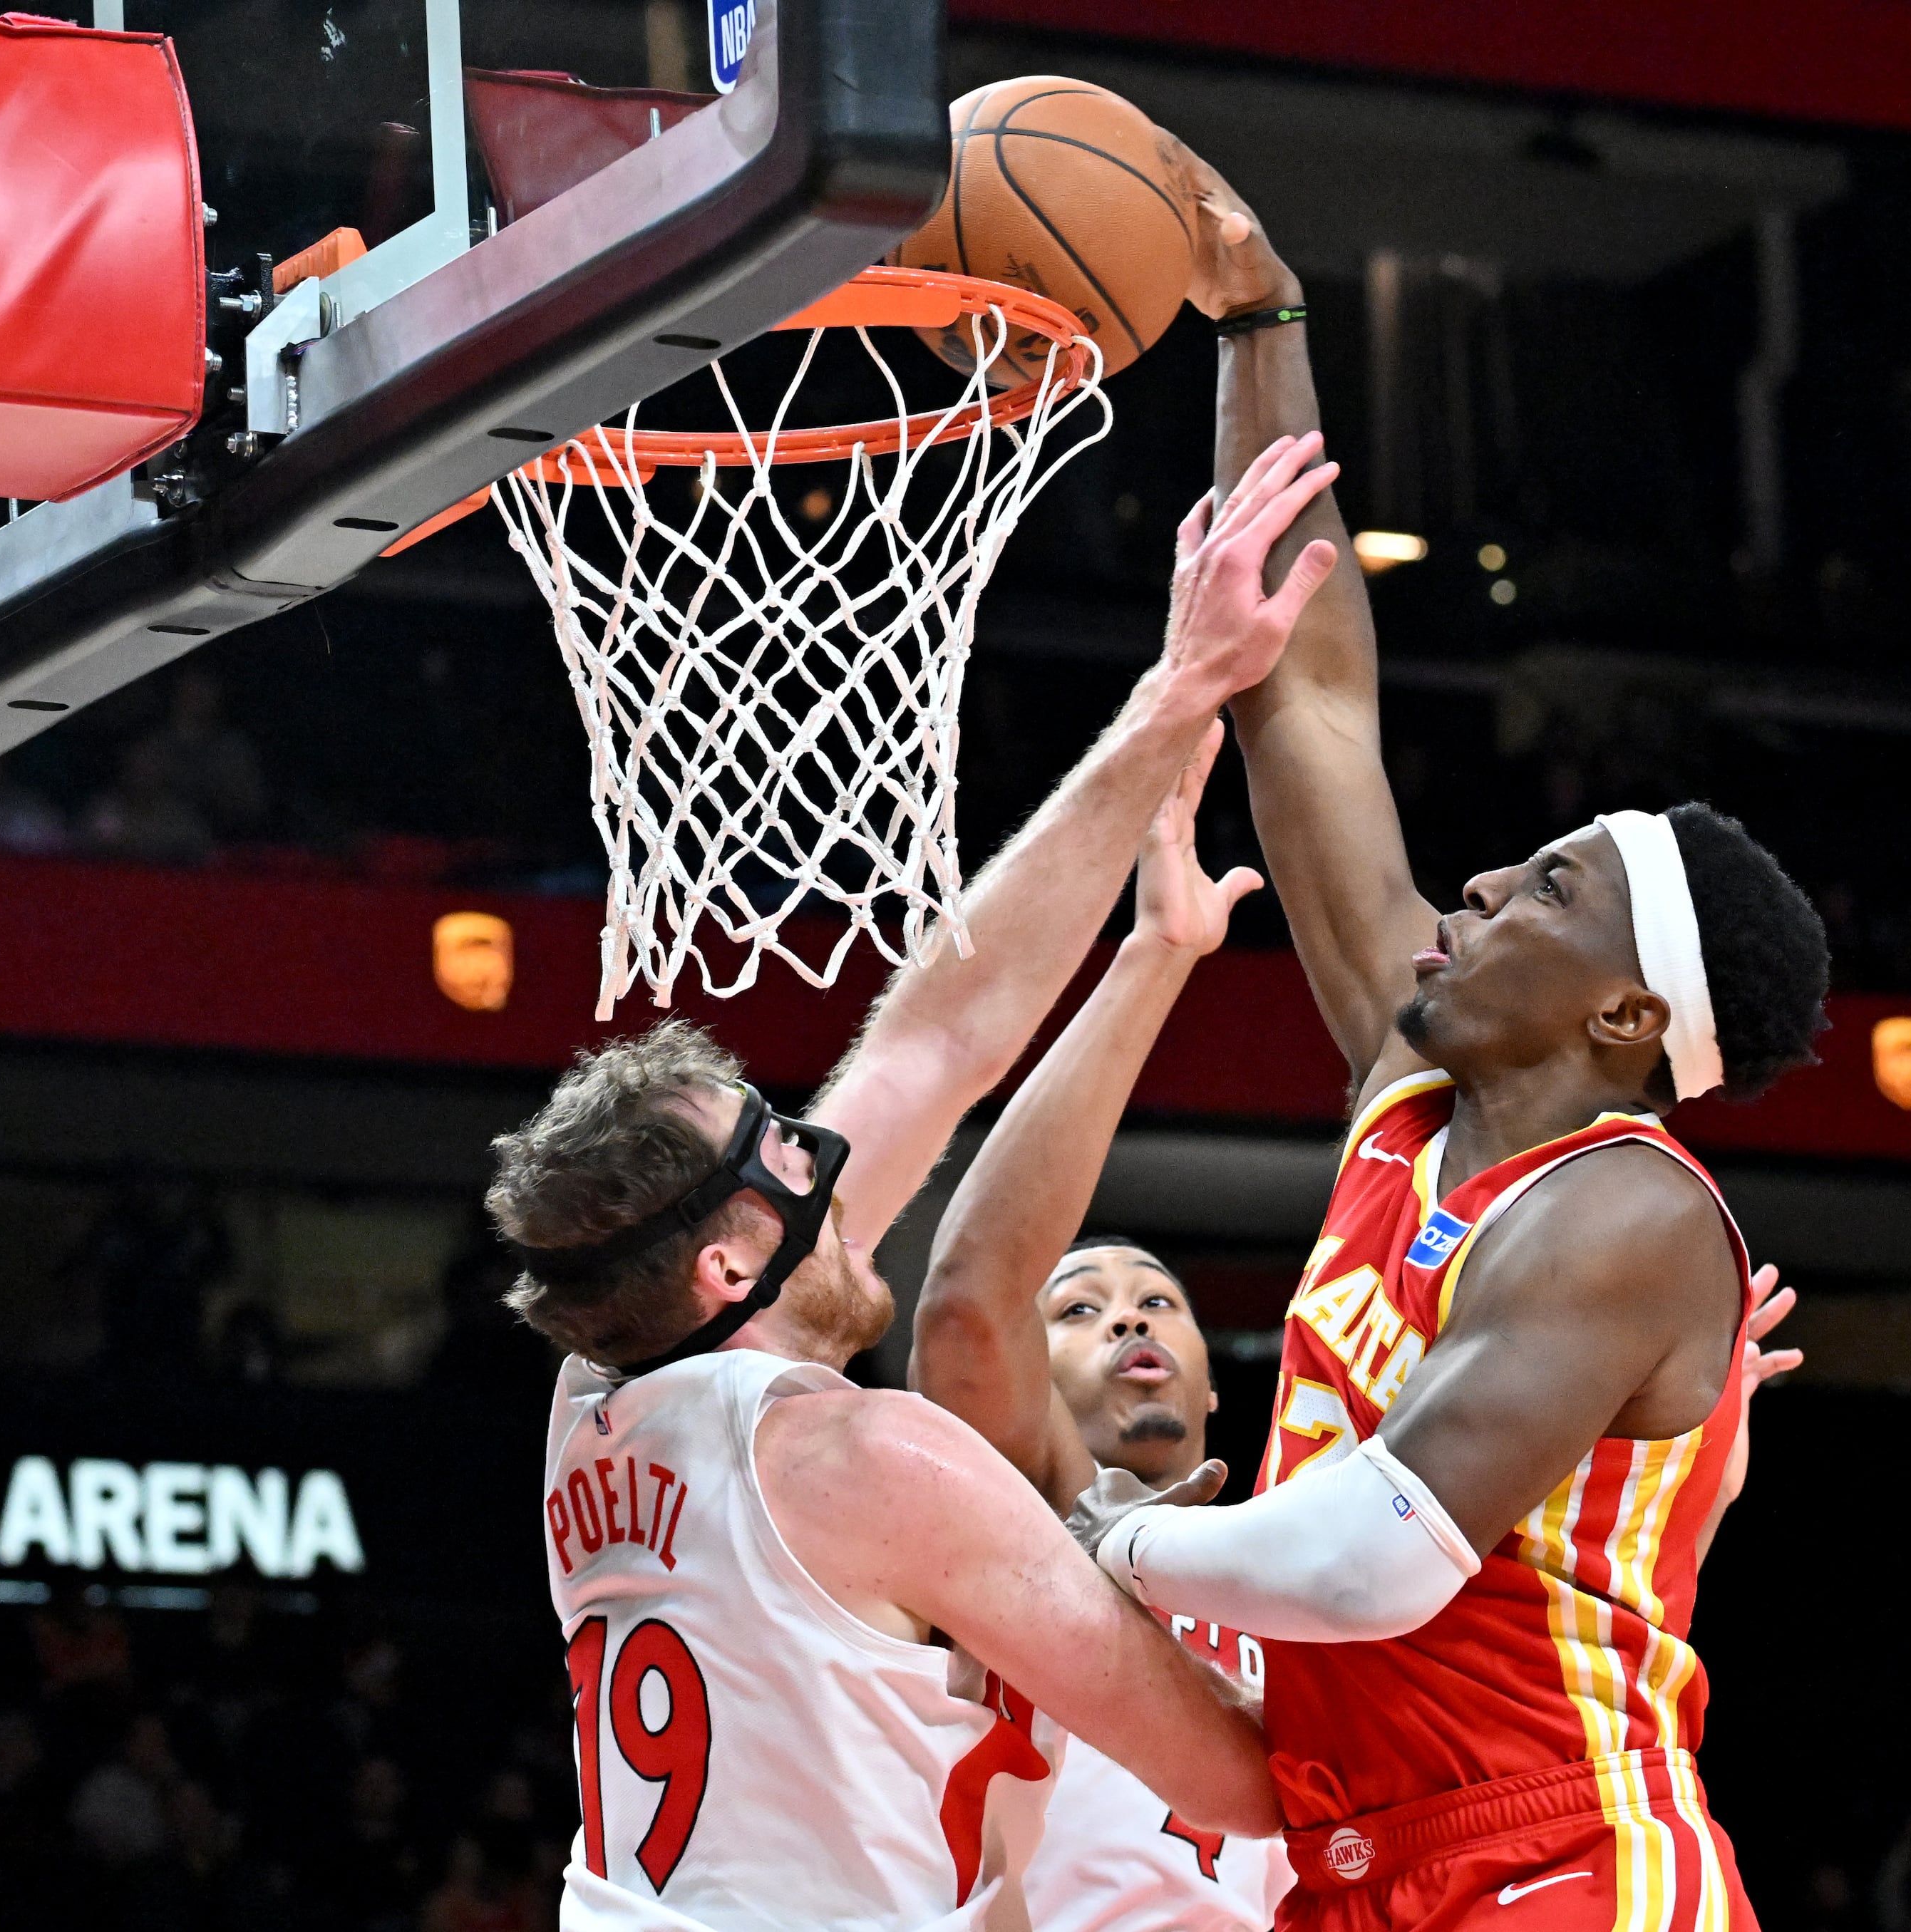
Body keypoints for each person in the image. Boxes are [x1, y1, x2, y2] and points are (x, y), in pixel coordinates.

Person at [1065, 152, 1833, 1932]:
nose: (1480, 883)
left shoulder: (1626, 1212)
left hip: (1565, 1852)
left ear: (1630, 1015)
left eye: (1547, 889)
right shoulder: (1412, 1103)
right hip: (1354, 1855)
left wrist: (1107, 1542)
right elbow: (1311, 695)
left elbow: (1371, 1557)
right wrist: (1261, 317)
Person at [484, 438, 1344, 1932]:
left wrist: (1178, 693)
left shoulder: (596, 1398)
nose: (826, 1150)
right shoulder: (872, 1463)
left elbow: (940, 1037)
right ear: (722, 1268)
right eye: (785, 1153)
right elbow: (1234, 1779)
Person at [910, 725, 1297, 1932]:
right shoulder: (1016, 1518)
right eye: (1075, 1310)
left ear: (1217, 1389)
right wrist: (1155, 956)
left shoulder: (1314, 1566)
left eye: (1157, 1300)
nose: (1128, 1310)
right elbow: (972, 1302)